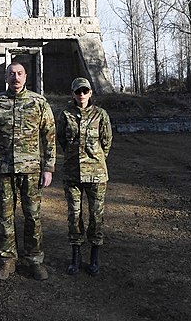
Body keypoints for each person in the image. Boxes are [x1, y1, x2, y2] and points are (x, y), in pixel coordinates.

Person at [0, 61, 56, 281]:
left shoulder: (38, 102)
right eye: (12, 74)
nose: (16, 77)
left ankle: (34, 259)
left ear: (26, 76)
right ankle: (7, 260)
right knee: (5, 217)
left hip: (31, 170)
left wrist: (48, 168)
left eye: (20, 73)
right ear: (6, 76)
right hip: (2, 170)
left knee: (33, 216)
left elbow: (49, 136)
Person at [57, 77, 112, 276]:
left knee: (96, 217)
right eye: (78, 91)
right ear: (72, 94)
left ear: (90, 93)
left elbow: (106, 142)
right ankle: (76, 255)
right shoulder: (65, 114)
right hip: (72, 174)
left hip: (96, 174)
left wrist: (96, 160)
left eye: (85, 91)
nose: (81, 95)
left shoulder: (101, 115)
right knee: (74, 215)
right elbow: (61, 138)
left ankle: (94, 257)